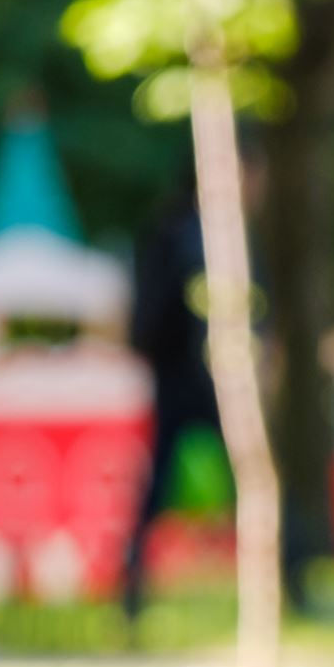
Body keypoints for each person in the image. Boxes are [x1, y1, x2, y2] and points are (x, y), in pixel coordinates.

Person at [119, 151, 304, 628]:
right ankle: (290, 581)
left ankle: (133, 585)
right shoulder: (206, 238)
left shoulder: (175, 231)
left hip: (182, 377)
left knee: (170, 484)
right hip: (204, 379)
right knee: (257, 476)